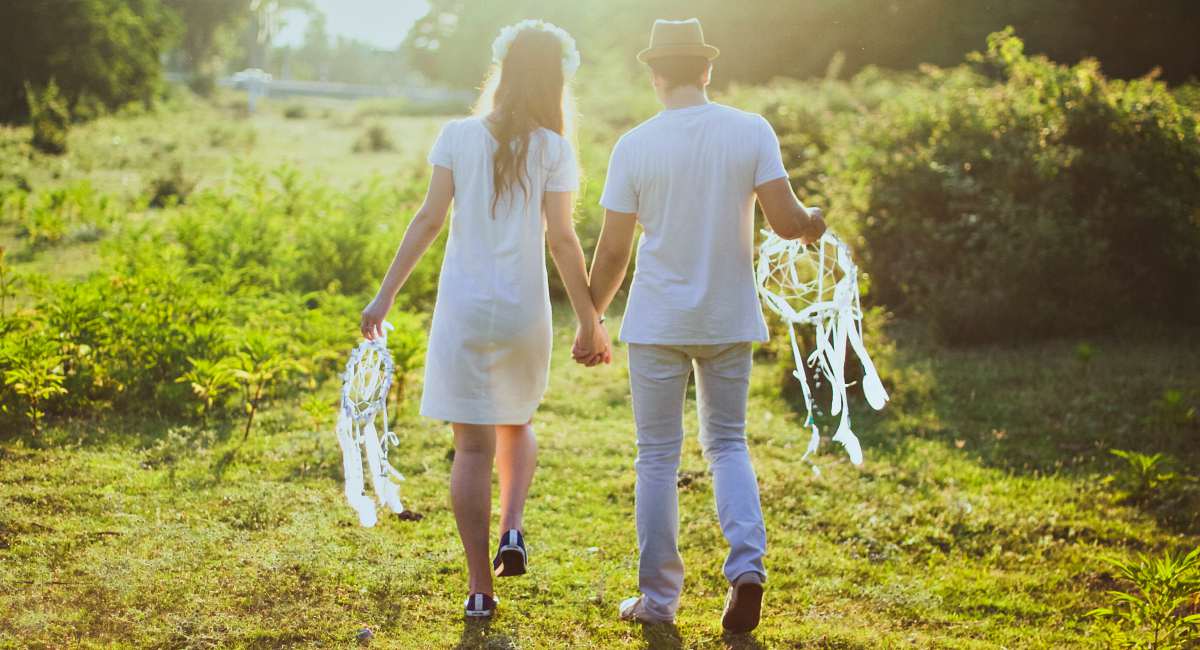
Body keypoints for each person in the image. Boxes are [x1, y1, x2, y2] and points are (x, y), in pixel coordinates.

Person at [577, 18, 826, 633]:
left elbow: (612, 254)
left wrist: (593, 317)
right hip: (726, 317)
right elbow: (788, 221)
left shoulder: (634, 145)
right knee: (728, 445)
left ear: (655, 75)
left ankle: (658, 602)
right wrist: (815, 219)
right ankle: (747, 572)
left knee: (657, 456)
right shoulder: (750, 130)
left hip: (658, 321)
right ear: (707, 71)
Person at [360, 20, 610, 619]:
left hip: (464, 311)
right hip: (523, 312)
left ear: (502, 72)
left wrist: (383, 297)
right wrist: (590, 320)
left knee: (470, 450)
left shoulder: (457, 135)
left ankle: (479, 588)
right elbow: (563, 241)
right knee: (517, 422)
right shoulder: (555, 148)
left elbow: (427, 221)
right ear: (555, 82)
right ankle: (514, 527)